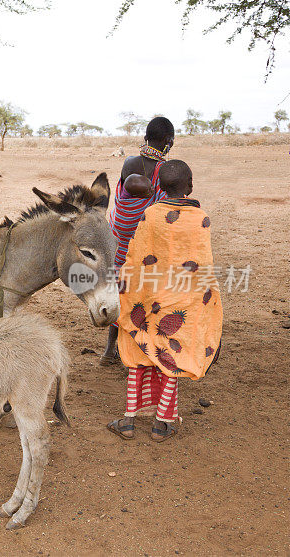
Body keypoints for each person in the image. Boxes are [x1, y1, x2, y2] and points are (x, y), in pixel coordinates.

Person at [107, 160, 222, 441]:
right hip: (182, 302)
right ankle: (161, 424)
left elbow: (135, 259)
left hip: (148, 299)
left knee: (139, 352)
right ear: (190, 184)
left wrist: (126, 292)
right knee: (173, 352)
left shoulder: (151, 214)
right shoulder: (201, 219)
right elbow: (202, 269)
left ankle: (129, 421)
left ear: (160, 185)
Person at [101, 116, 175, 366]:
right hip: (140, 241)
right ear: (168, 140)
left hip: (117, 236)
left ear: (146, 136)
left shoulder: (128, 162)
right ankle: (133, 354)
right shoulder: (164, 170)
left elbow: (122, 199)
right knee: (141, 296)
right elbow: (165, 207)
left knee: (120, 291)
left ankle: (109, 350)